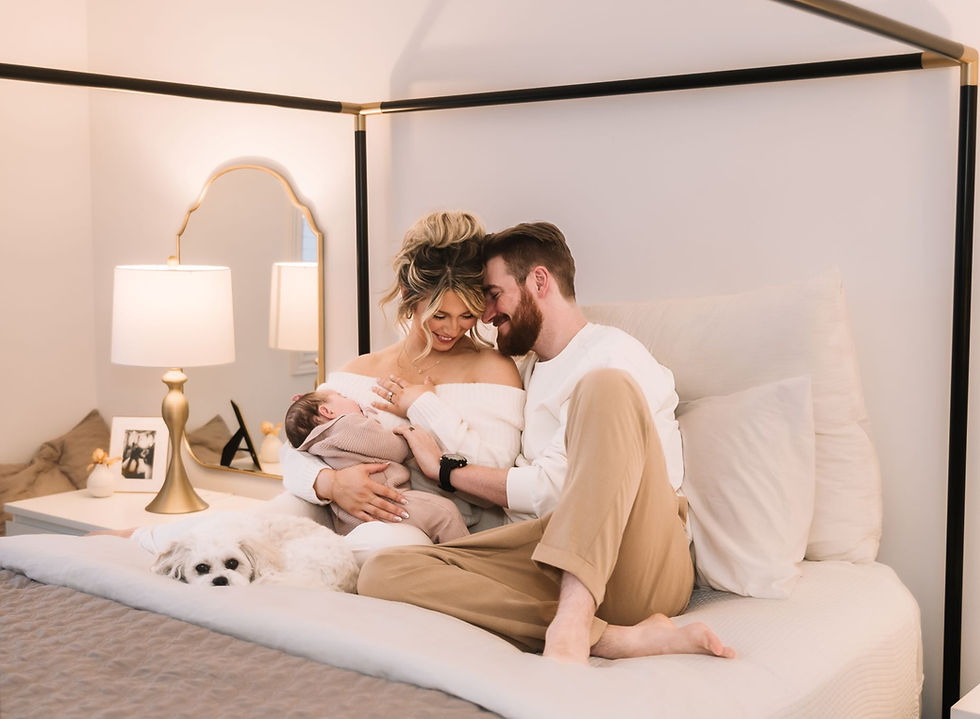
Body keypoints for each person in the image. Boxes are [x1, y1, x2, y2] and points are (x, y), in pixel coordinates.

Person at [357, 222, 735, 664]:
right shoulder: (532, 368)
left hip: (636, 556)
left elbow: (552, 490)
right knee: (384, 571)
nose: (484, 315)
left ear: (539, 281)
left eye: (494, 295)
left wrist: (447, 469)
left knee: (606, 387)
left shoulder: (614, 355)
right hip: (546, 551)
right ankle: (608, 637)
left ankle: (574, 618)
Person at [279, 210, 526, 538]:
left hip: (459, 539)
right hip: (363, 530)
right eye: (439, 315)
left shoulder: (493, 370)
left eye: (467, 314)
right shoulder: (356, 374)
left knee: (384, 542)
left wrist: (422, 406)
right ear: (409, 297)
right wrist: (330, 483)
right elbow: (294, 449)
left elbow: (498, 472)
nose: (454, 329)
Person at [284, 388, 469, 543]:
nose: (352, 399)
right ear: (327, 412)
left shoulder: (315, 445)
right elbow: (393, 449)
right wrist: (409, 437)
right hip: (386, 502)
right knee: (445, 512)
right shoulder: (347, 425)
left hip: (351, 519)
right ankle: (470, 562)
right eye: (343, 397)